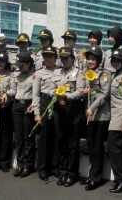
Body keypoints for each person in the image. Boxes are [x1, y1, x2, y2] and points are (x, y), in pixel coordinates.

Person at [80, 45, 111, 191]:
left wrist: (92, 107)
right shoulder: (87, 73)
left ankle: (96, 178)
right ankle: (92, 173)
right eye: (89, 59)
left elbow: (104, 94)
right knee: (91, 146)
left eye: (93, 59)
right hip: (89, 115)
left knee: (97, 146)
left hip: (100, 115)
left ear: (98, 60)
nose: (90, 61)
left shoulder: (105, 73)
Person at [53, 47, 84, 187]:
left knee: (72, 144)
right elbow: (50, 87)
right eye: (62, 58)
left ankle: (71, 174)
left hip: (73, 109)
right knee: (61, 142)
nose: (64, 60)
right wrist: (54, 93)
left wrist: (66, 96)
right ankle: (62, 171)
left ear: (72, 58)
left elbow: (80, 92)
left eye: (67, 58)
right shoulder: (56, 72)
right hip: (59, 110)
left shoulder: (78, 73)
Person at [31, 46, 61, 181]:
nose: (48, 58)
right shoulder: (38, 73)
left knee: (57, 136)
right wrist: (37, 113)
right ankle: (42, 168)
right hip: (44, 102)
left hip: (58, 104)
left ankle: (55, 167)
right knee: (44, 138)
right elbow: (35, 94)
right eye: (46, 56)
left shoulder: (61, 72)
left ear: (55, 58)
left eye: (51, 56)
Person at [5, 51, 36, 178]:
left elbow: (36, 93)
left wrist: (33, 105)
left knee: (28, 136)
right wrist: (7, 94)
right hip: (17, 106)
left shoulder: (35, 76)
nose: (19, 67)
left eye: (22, 65)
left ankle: (28, 164)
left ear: (29, 64)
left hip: (28, 105)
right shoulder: (15, 75)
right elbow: (13, 89)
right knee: (18, 137)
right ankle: (20, 163)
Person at [106, 49, 122, 193]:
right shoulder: (116, 75)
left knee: (113, 148)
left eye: (118, 60)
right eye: (113, 60)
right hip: (114, 117)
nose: (115, 62)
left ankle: (121, 179)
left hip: (120, 118)